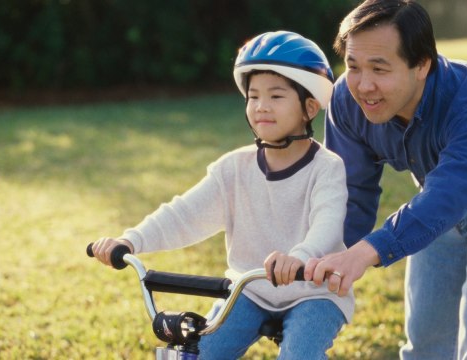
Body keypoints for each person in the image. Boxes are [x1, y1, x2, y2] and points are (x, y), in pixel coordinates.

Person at [304, 1, 467, 359]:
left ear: (421, 65)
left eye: (380, 69)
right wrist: (327, 257)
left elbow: (448, 195)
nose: (364, 85)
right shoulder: (347, 101)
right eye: (353, 67)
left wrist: (367, 252)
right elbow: (351, 191)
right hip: (436, 195)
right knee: (425, 346)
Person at [90, 31, 354, 359]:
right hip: (250, 290)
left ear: (309, 107)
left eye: (276, 96)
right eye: (253, 96)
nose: (261, 106)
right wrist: (130, 241)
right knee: (199, 353)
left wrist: (299, 257)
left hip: (314, 293)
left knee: (299, 355)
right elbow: (183, 214)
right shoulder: (233, 169)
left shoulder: (327, 168)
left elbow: (327, 224)